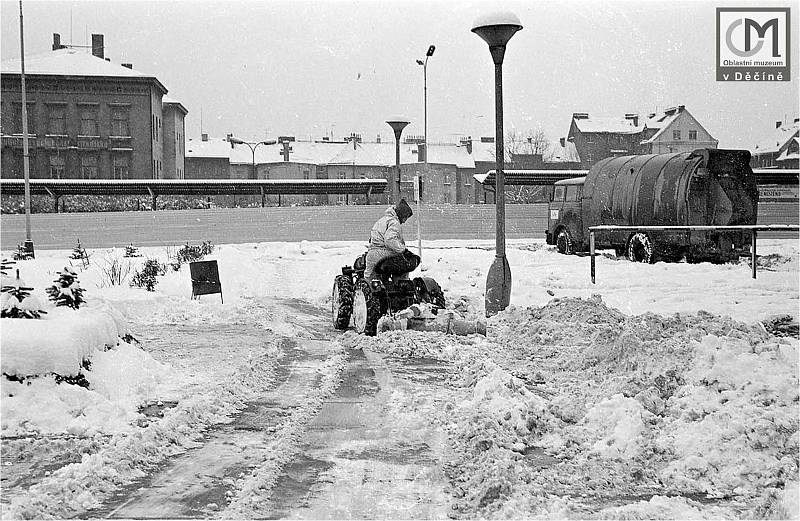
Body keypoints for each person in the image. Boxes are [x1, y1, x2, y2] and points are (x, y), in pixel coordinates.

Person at [364, 199, 420, 281]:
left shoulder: (382, 220)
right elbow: (390, 240)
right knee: (402, 270)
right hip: (385, 255)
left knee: (369, 281)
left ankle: (361, 292)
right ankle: (401, 288)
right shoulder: (394, 222)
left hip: (372, 254)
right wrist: (403, 250)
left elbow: (373, 238)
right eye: (405, 218)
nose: (404, 222)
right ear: (402, 215)